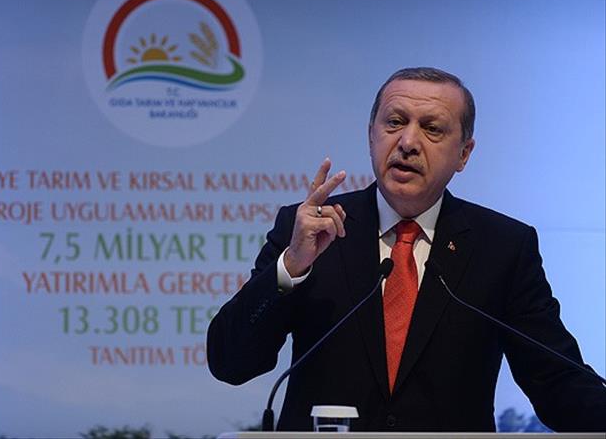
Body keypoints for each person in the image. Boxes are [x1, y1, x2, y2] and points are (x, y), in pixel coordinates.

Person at [206, 67, 606, 432]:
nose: (408, 142)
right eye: (395, 122)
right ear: (371, 135)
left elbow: (557, 381)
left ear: (464, 154)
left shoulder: (501, 247)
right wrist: (291, 266)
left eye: (432, 129)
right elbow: (231, 363)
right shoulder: (309, 231)